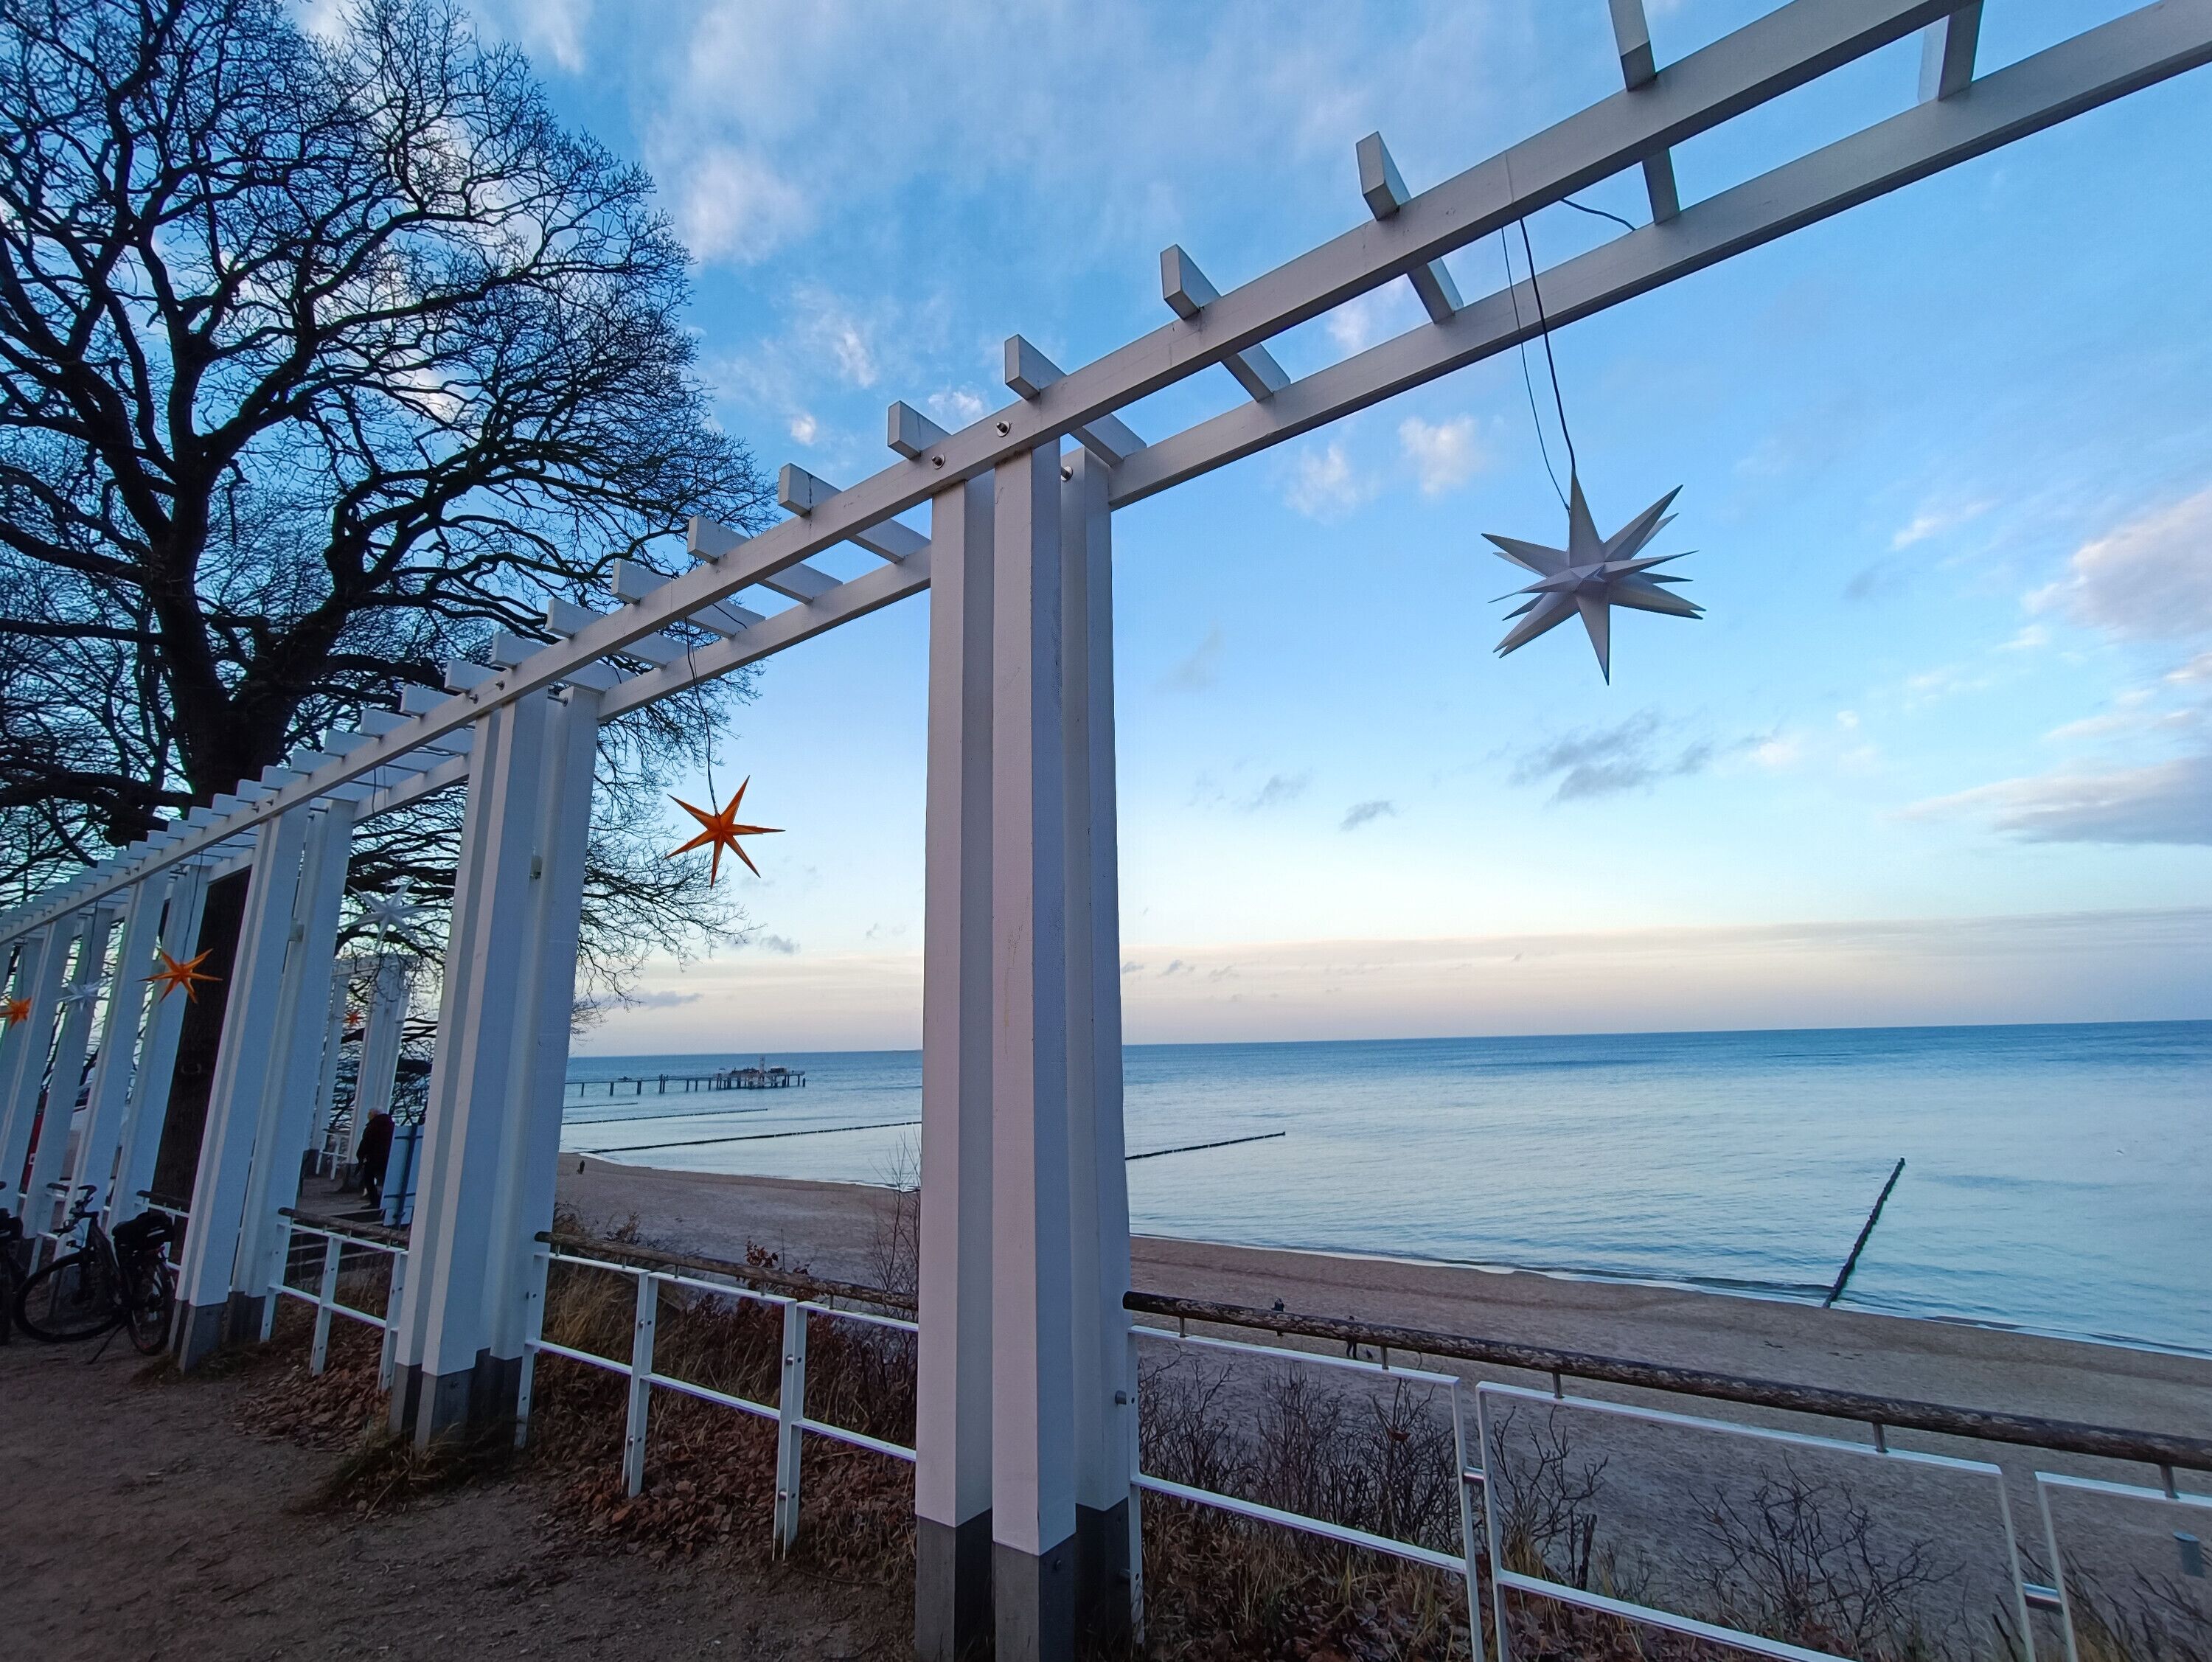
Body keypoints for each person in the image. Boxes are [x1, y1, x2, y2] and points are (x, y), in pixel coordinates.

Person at [356, 1110, 395, 1207]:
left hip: (374, 1158)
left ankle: (375, 1202)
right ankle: (389, 1201)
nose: (368, 1115)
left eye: (369, 1113)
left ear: (373, 1115)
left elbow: (365, 1143)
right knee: (386, 1180)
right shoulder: (392, 1127)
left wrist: (360, 1156)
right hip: (389, 1158)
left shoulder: (372, 1127)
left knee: (368, 1179)